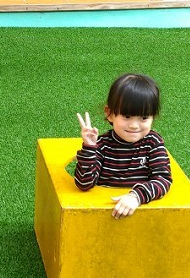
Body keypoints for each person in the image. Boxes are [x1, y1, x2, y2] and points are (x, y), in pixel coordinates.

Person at [74, 73, 172, 219]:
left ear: (153, 117)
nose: (134, 125)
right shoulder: (102, 145)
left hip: (140, 215)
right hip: (104, 216)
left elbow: (163, 179)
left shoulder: (153, 142)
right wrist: (89, 147)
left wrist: (136, 196)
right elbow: (84, 184)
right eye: (126, 116)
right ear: (110, 114)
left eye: (144, 118)